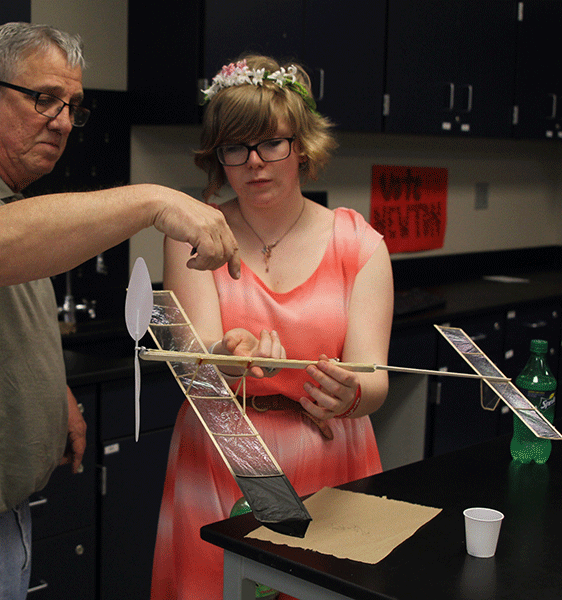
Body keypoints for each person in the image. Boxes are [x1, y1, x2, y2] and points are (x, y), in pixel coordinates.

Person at [0, 22, 241, 600]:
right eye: (43, 99)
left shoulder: (6, 200)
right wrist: (154, 200)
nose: (60, 121)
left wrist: (55, 400)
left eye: (71, 106)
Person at [150, 55, 394, 600]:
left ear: (302, 145)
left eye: (271, 143)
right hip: (223, 456)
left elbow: (374, 379)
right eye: (235, 147)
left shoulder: (361, 246)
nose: (254, 162)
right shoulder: (193, 234)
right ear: (218, 156)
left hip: (332, 462)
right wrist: (222, 355)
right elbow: (196, 370)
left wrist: (350, 393)